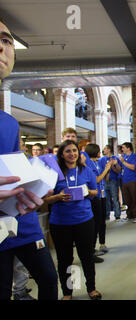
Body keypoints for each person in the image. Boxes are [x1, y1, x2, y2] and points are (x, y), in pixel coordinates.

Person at [0, 17, 58, 301]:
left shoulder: (9, 123)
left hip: (17, 223)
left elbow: (11, 174)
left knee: (49, 280)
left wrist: (32, 186)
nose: (2, 47)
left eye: (6, 40)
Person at [43, 140, 102, 300]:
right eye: (68, 151)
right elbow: (45, 199)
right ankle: (68, 292)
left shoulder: (86, 171)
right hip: (61, 223)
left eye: (74, 151)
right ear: (61, 154)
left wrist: (87, 191)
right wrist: (58, 197)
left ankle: (91, 288)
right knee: (65, 259)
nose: (72, 154)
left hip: (84, 220)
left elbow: (95, 192)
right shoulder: (54, 174)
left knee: (86, 257)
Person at [85, 143, 112, 259]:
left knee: (102, 221)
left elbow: (104, 178)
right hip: (94, 196)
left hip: (102, 194)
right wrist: (106, 170)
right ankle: (92, 247)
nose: (100, 152)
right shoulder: (88, 164)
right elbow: (96, 180)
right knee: (95, 222)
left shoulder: (98, 162)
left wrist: (108, 170)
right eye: (99, 151)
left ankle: (102, 243)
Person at [118, 142, 136, 222]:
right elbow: (120, 168)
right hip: (124, 180)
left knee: (135, 198)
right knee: (127, 199)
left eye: (123, 147)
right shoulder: (123, 157)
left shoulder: (134, 156)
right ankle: (129, 215)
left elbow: (134, 167)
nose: (122, 149)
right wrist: (116, 164)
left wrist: (123, 162)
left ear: (128, 148)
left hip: (132, 180)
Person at [100, 145, 121, 221]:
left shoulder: (115, 158)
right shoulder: (102, 160)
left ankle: (117, 215)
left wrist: (114, 165)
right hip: (105, 181)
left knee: (115, 198)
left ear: (109, 150)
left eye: (105, 149)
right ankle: (107, 215)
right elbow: (101, 171)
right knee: (106, 199)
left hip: (113, 181)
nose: (103, 150)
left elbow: (119, 170)